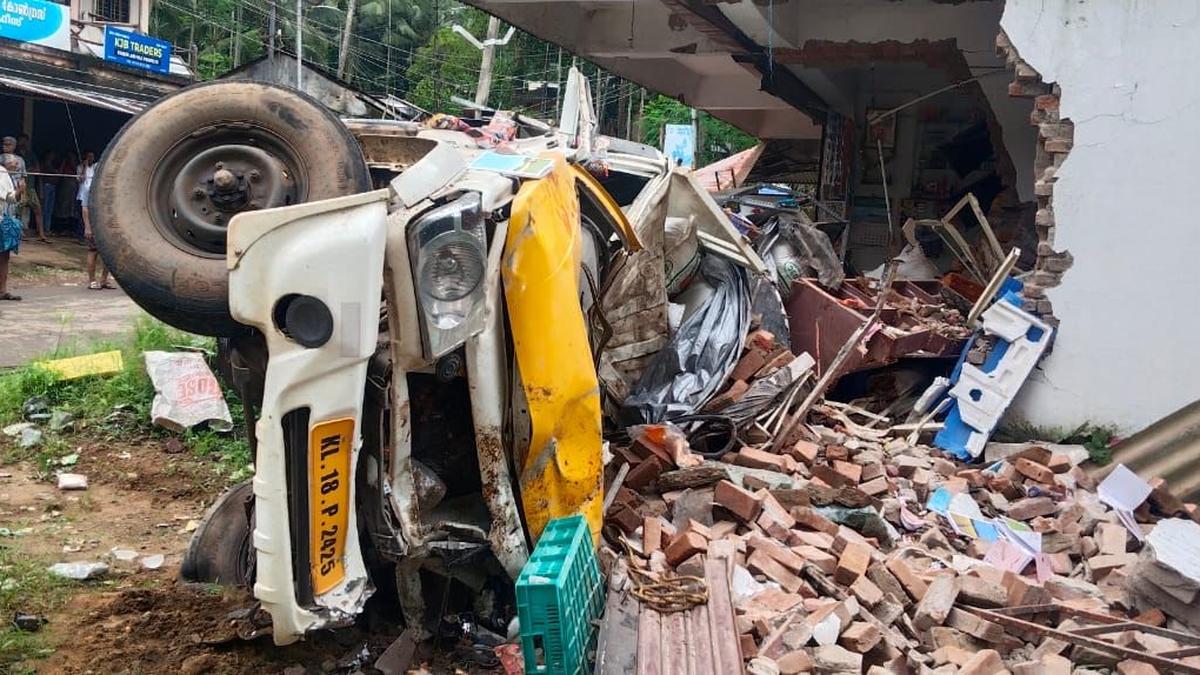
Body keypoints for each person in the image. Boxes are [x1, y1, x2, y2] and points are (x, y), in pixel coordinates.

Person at [78, 154, 110, 290]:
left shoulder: (109, 189)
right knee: (93, 251)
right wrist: (88, 227)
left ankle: (104, 279)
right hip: (94, 224)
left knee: (109, 254)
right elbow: (85, 209)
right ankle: (92, 280)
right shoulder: (88, 188)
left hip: (107, 225)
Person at [0, 159, 23, 300]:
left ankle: (2, 290)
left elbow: (11, 198)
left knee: (4, 255)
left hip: (0, 219)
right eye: (13, 163)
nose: (15, 165)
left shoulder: (3, 173)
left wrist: (20, 191)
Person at [39, 149, 58, 234]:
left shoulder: (53, 164)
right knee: (44, 208)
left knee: (49, 209)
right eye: (51, 155)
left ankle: (47, 228)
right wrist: (41, 190)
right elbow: (40, 177)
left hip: (52, 187)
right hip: (46, 186)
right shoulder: (43, 164)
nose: (52, 156)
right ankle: (42, 229)